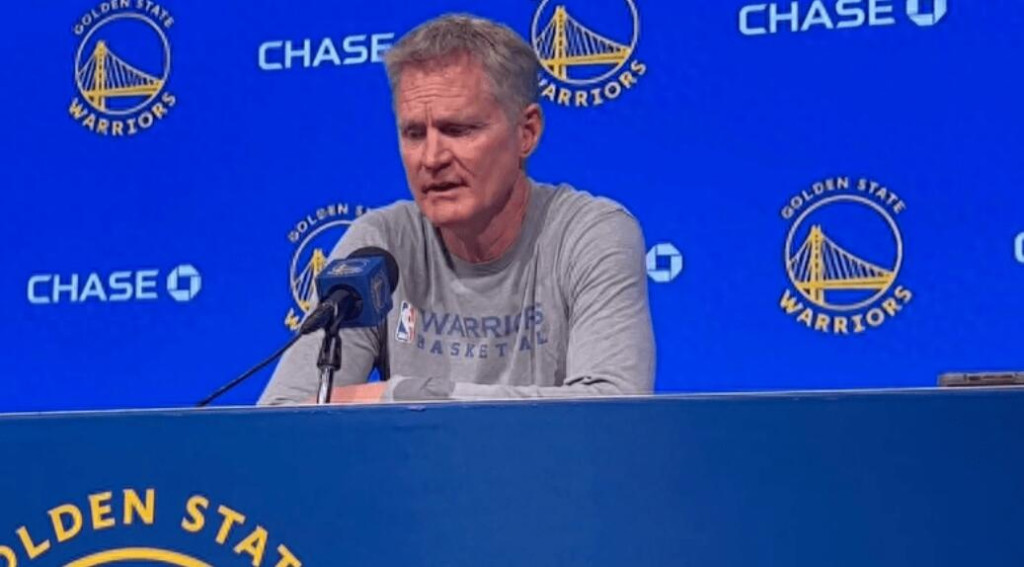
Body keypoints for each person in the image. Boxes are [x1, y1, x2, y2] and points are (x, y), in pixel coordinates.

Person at [258, 13, 655, 404]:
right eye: (414, 133)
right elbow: (283, 415)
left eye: (458, 130)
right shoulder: (380, 246)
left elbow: (613, 407)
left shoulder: (588, 234)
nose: (431, 158)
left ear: (527, 133)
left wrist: (400, 394)